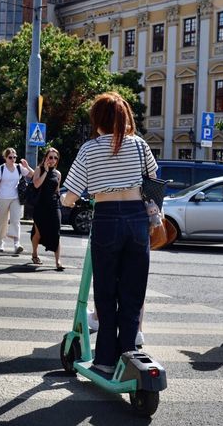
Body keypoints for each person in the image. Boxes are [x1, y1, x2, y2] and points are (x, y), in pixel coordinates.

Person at [62, 91, 157, 374]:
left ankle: (104, 360)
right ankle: (128, 354)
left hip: (106, 219)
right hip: (137, 219)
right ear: (125, 117)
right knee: (133, 291)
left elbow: (71, 193)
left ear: (97, 120)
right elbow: (154, 182)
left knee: (106, 292)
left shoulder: (90, 149)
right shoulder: (140, 146)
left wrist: (67, 200)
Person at [22, 147, 62, 269]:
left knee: (56, 233)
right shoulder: (39, 170)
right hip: (40, 206)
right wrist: (45, 170)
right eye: (50, 157)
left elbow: (57, 190)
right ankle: (34, 253)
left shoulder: (58, 173)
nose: (53, 160)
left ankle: (58, 261)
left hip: (54, 206)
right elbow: (37, 184)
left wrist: (64, 200)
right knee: (38, 233)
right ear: (45, 158)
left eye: (55, 158)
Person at [0, 147, 31, 253]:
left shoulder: (19, 167)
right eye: (10, 157)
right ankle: (0, 243)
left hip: (15, 198)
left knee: (15, 220)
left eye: (14, 157)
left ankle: (16, 244)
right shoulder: (1, 168)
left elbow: (33, 175)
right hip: (2, 198)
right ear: (5, 157)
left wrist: (27, 166)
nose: (13, 159)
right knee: (1, 221)